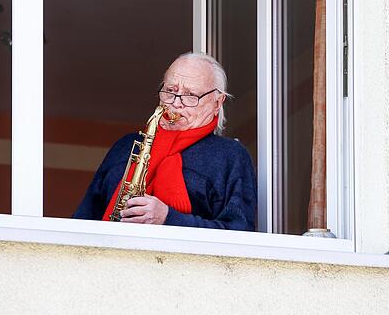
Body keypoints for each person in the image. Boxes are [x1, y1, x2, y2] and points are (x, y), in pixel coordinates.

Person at [72, 52, 257, 230]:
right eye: (170, 91)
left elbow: (239, 232)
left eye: (190, 95)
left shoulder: (230, 155)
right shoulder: (125, 146)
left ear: (217, 103)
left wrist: (167, 217)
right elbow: (84, 219)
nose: (176, 103)